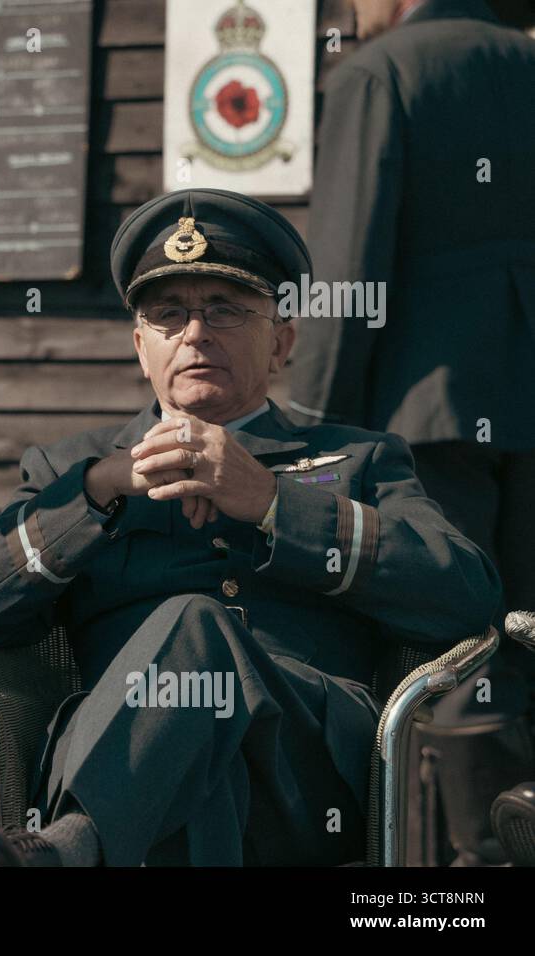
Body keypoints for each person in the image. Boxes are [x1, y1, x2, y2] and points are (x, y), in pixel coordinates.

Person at [0, 189, 501, 866]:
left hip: (299, 772)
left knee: (199, 626)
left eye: (225, 309)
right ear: (142, 350)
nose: (196, 334)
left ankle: (66, 852)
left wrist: (272, 502)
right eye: (169, 316)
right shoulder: (74, 470)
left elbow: (464, 592)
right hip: (122, 762)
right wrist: (95, 494)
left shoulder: (361, 458)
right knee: (198, 775)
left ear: (281, 342)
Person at [286, 0, 535, 864]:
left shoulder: (379, 71)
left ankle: (473, 861)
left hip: (427, 413)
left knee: (455, 647)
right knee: (527, 634)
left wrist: (312, 432)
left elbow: (349, 276)